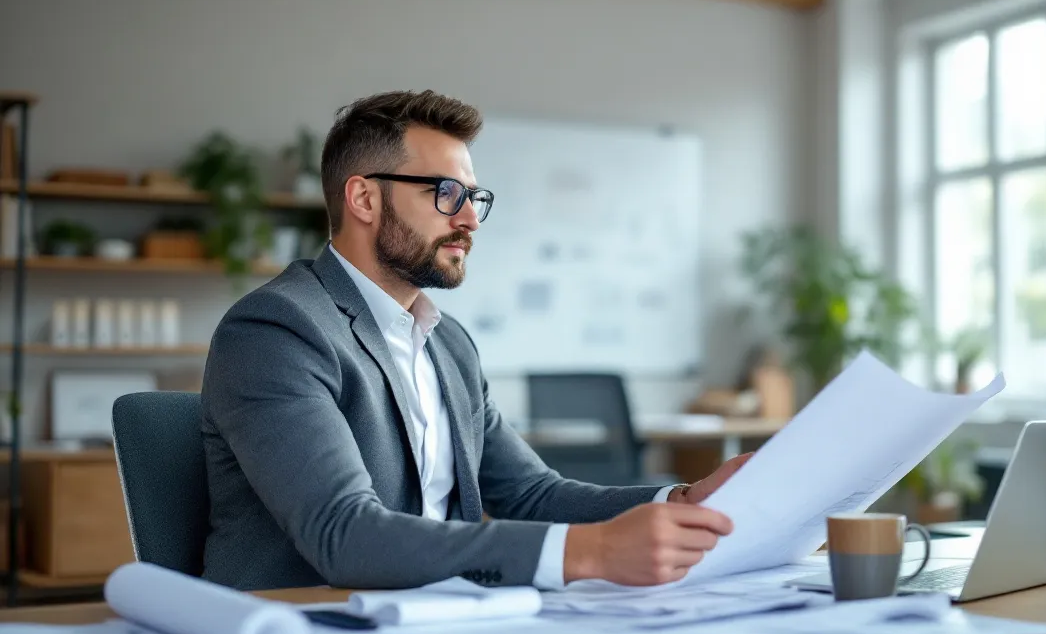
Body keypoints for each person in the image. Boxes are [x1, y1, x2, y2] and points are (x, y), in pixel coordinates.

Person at [200, 90, 750, 592]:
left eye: (472, 197)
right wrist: (594, 551)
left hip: (444, 623)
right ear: (364, 199)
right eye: (444, 194)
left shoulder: (448, 344)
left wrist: (680, 500)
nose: (470, 219)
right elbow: (344, 535)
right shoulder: (277, 330)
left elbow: (532, 495)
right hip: (302, 632)